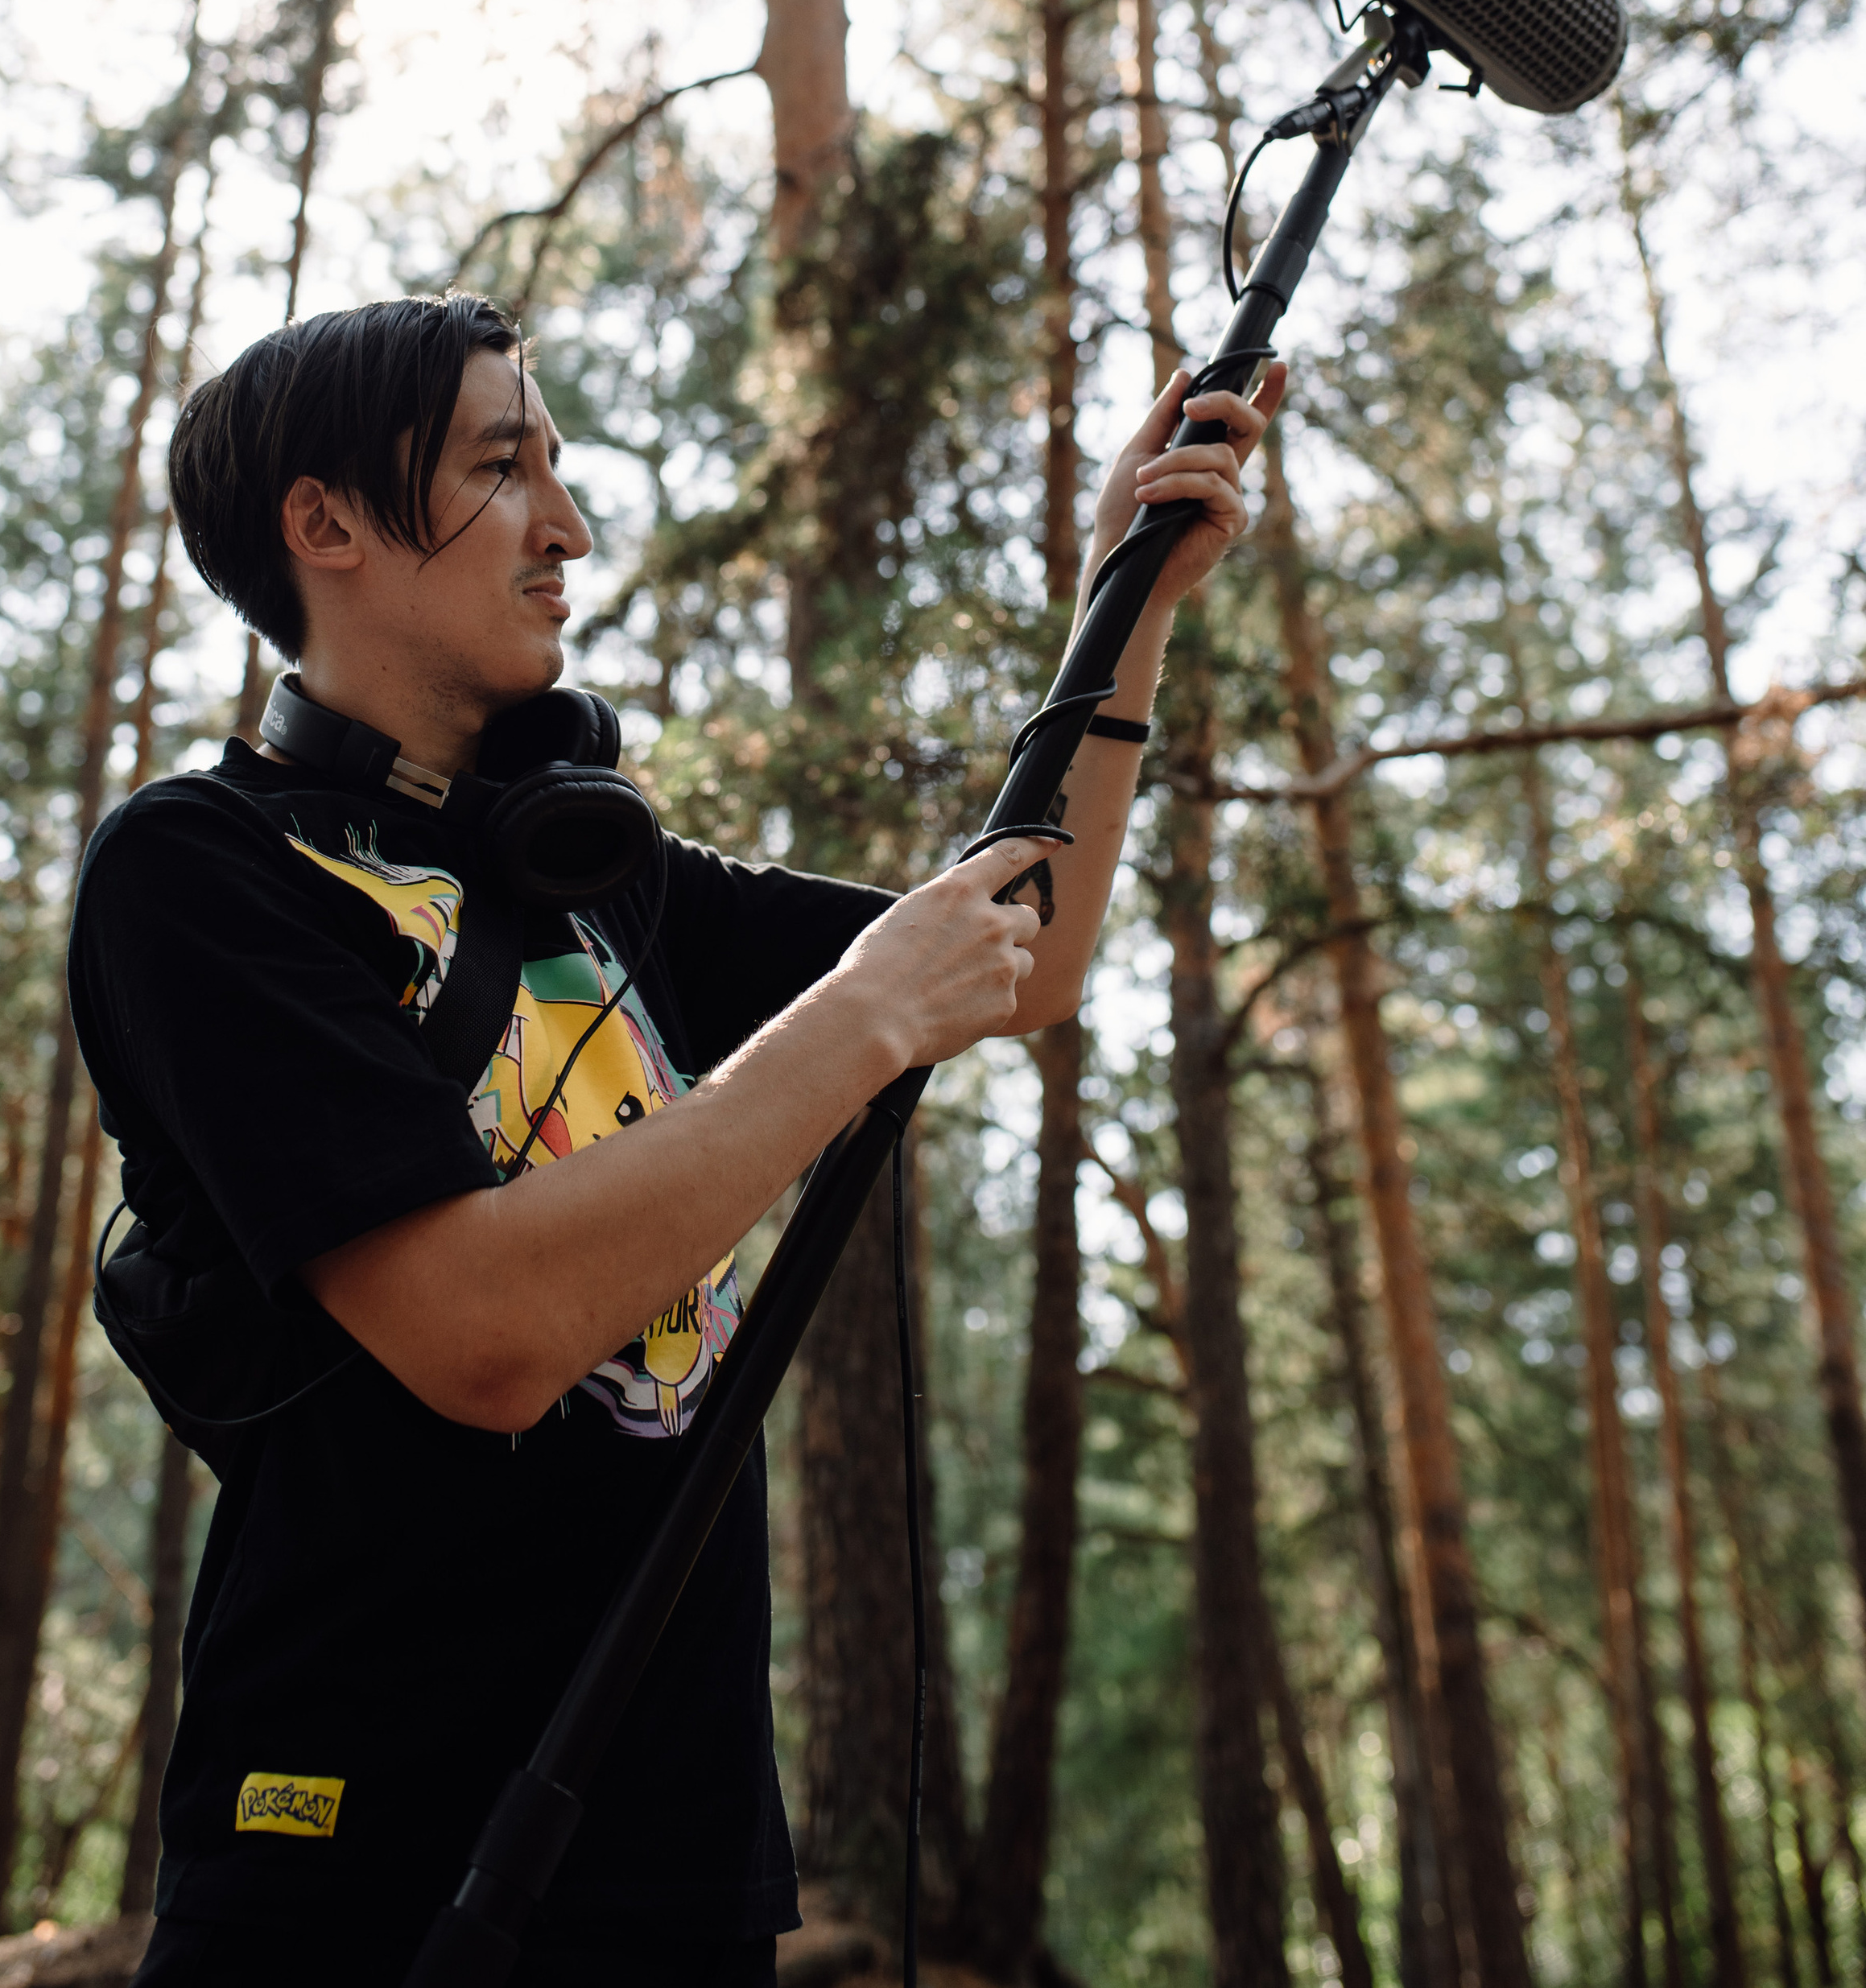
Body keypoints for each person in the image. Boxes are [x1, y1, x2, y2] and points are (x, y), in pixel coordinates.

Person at [71, 291, 1284, 1986]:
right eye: (503, 469)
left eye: (556, 470)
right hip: (355, 1850)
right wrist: (857, 1019)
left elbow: (1026, 949)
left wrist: (1122, 606)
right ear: (322, 522)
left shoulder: (593, 869)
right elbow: (482, 1335)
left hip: (675, 1847)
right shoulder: (197, 872)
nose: (566, 526)